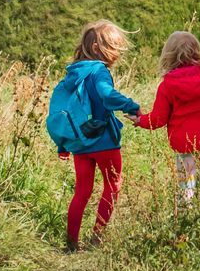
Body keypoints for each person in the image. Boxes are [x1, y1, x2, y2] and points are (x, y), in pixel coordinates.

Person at [52, 19, 142, 251]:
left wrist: (63, 144)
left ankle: (71, 242)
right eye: (113, 48)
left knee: (82, 191)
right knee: (113, 185)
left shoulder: (72, 74)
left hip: (80, 144)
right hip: (104, 142)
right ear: (96, 49)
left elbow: (64, 109)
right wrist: (131, 106)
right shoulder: (98, 71)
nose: (116, 54)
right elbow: (107, 96)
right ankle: (97, 237)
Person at [134, 30, 200, 201]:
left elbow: (158, 119)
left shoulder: (167, 85)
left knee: (186, 173)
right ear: (196, 51)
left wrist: (140, 120)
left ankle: (186, 202)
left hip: (183, 141)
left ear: (169, 55)